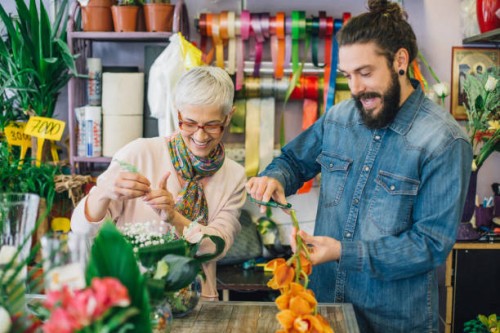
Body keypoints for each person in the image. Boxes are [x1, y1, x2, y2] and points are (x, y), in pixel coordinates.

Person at [246, 1, 472, 332]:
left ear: (400, 61)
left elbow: (428, 246)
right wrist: (276, 178)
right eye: (347, 75)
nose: (355, 88)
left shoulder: (445, 142)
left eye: (365, 73)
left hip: (394, 322)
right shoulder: (339, 118)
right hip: (323, 312)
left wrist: (343, 252)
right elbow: (293, 162)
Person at [72, 66, 246, 301]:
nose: (201, 136)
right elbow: (82, 230)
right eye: (190, 123)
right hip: (133, 300)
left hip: (196, 304)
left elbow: (216, 248)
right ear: (178, 114)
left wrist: (174, 217)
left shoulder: (233, 176)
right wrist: (101, 192)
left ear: (229, 116)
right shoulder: (138, 154)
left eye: (213, 125)